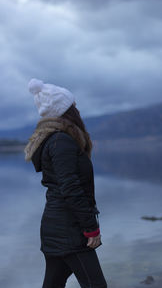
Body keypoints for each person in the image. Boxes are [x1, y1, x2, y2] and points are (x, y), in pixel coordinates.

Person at [24, 78, 107, 288]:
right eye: (73, 105)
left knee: (53, 284)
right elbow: (70, 188)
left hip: (57, 227)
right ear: (67, 111)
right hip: (69, 230)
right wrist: (90, 228)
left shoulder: (56, 139)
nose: (77, 109)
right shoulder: (61, 141)